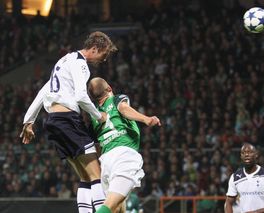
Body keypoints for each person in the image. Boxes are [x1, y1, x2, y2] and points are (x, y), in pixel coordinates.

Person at [20, 31, 117, 213]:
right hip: (68, 120)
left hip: (53, 122)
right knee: (97, 174)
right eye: (103, 55)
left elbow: (43, 91)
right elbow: (81, 96)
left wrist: (28, 121)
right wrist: (99, 116)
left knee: (85, 177)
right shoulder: (80, 64)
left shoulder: (63, 61)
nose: (103, 60)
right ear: (95, 48)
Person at [87, 77, 161, 213]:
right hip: (123, 154)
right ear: (109, 88)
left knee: (117, 207)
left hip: (106, 161)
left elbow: (94, 141)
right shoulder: (116, 99)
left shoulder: (95, 116)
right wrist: (146, 119)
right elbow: (124, 108)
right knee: (109, 207)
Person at [224, 143, 264, 213]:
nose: (246, 155)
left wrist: (256, 212)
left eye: (250, 152)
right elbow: (228, 203)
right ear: (241, 156)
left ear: (256, 155)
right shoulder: (235, 177)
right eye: (243, 153)